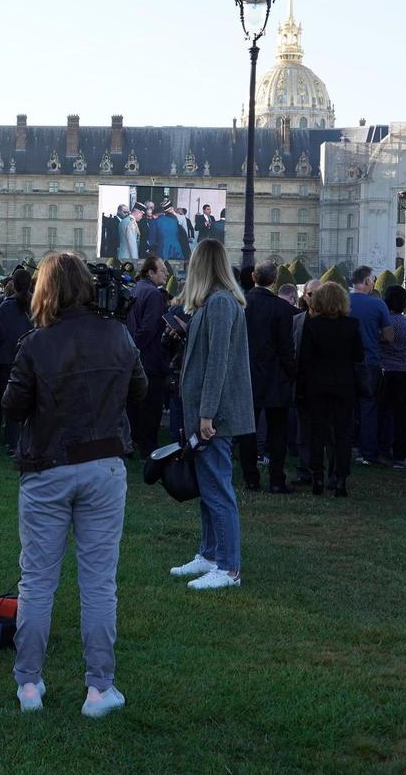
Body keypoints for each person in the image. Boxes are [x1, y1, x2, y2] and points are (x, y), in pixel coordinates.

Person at [0, 253, 145, 717]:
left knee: (38, 581)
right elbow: (139, 391)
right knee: (99, 583)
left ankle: (29, 684)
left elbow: (12, 405)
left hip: (48, 467)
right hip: (102, 463)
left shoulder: (37, 343)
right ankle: (100, 688)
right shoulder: (117, 335)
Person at [170, 237, 252, 591]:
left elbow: (218, 363)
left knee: (218, 490)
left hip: (214, 416)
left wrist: (206, 415)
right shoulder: (215, 303)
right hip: (209, 413)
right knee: (208, 487)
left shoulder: (219, 304)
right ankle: (210, 553)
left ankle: (229, 567)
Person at [296, 281, 364, 496]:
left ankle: (317, 476)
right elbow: (359, 356)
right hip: (344, 383)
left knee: (317, 432)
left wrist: (301, 387)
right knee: (343, 434)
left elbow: (304, 359)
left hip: (316, 383)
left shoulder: (312, 325)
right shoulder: (351, 325)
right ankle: (340, 478)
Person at [239, 261, 297, 492]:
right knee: (277, 431)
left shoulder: (241, 304)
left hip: (247, 374)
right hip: (275, 375)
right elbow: (286, 347)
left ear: (253, 276)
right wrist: (291, 371)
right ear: (274, 281)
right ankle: (276, 479)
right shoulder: (282, 309)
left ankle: (251, 478)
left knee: (247, 430)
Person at [347, 266, 395, 465]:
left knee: (346, 407)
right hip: (369, 361)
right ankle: (367, 453)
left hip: (345, 361)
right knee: (368, 407)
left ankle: (344, 447)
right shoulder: (378, 305)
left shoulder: (343, 301)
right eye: (373, 279)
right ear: (367, 281)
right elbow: (389, 336)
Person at [125, 257, 171, 458]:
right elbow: (149, 327)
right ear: (150, 273)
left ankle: (134, 442)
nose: (166, 273)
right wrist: (136, 348)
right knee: (151, 407)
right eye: (161, 270)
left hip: (137, 356)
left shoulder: (135, 289)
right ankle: (148, 448)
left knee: (135, 405)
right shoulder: (153, 293)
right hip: (150, 358)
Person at [0, 267, 35, 451]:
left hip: (2, 359)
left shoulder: (4, 306)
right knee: (22, 400)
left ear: (12, 285)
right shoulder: (35, 304)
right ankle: (13, 441)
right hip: (26, 359)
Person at [379, 284, 406, 469]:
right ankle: (400, 453)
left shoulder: (383, 322)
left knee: (383, 411)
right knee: (401, 414)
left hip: (385, 369)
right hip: (403, 371)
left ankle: (382, 449)